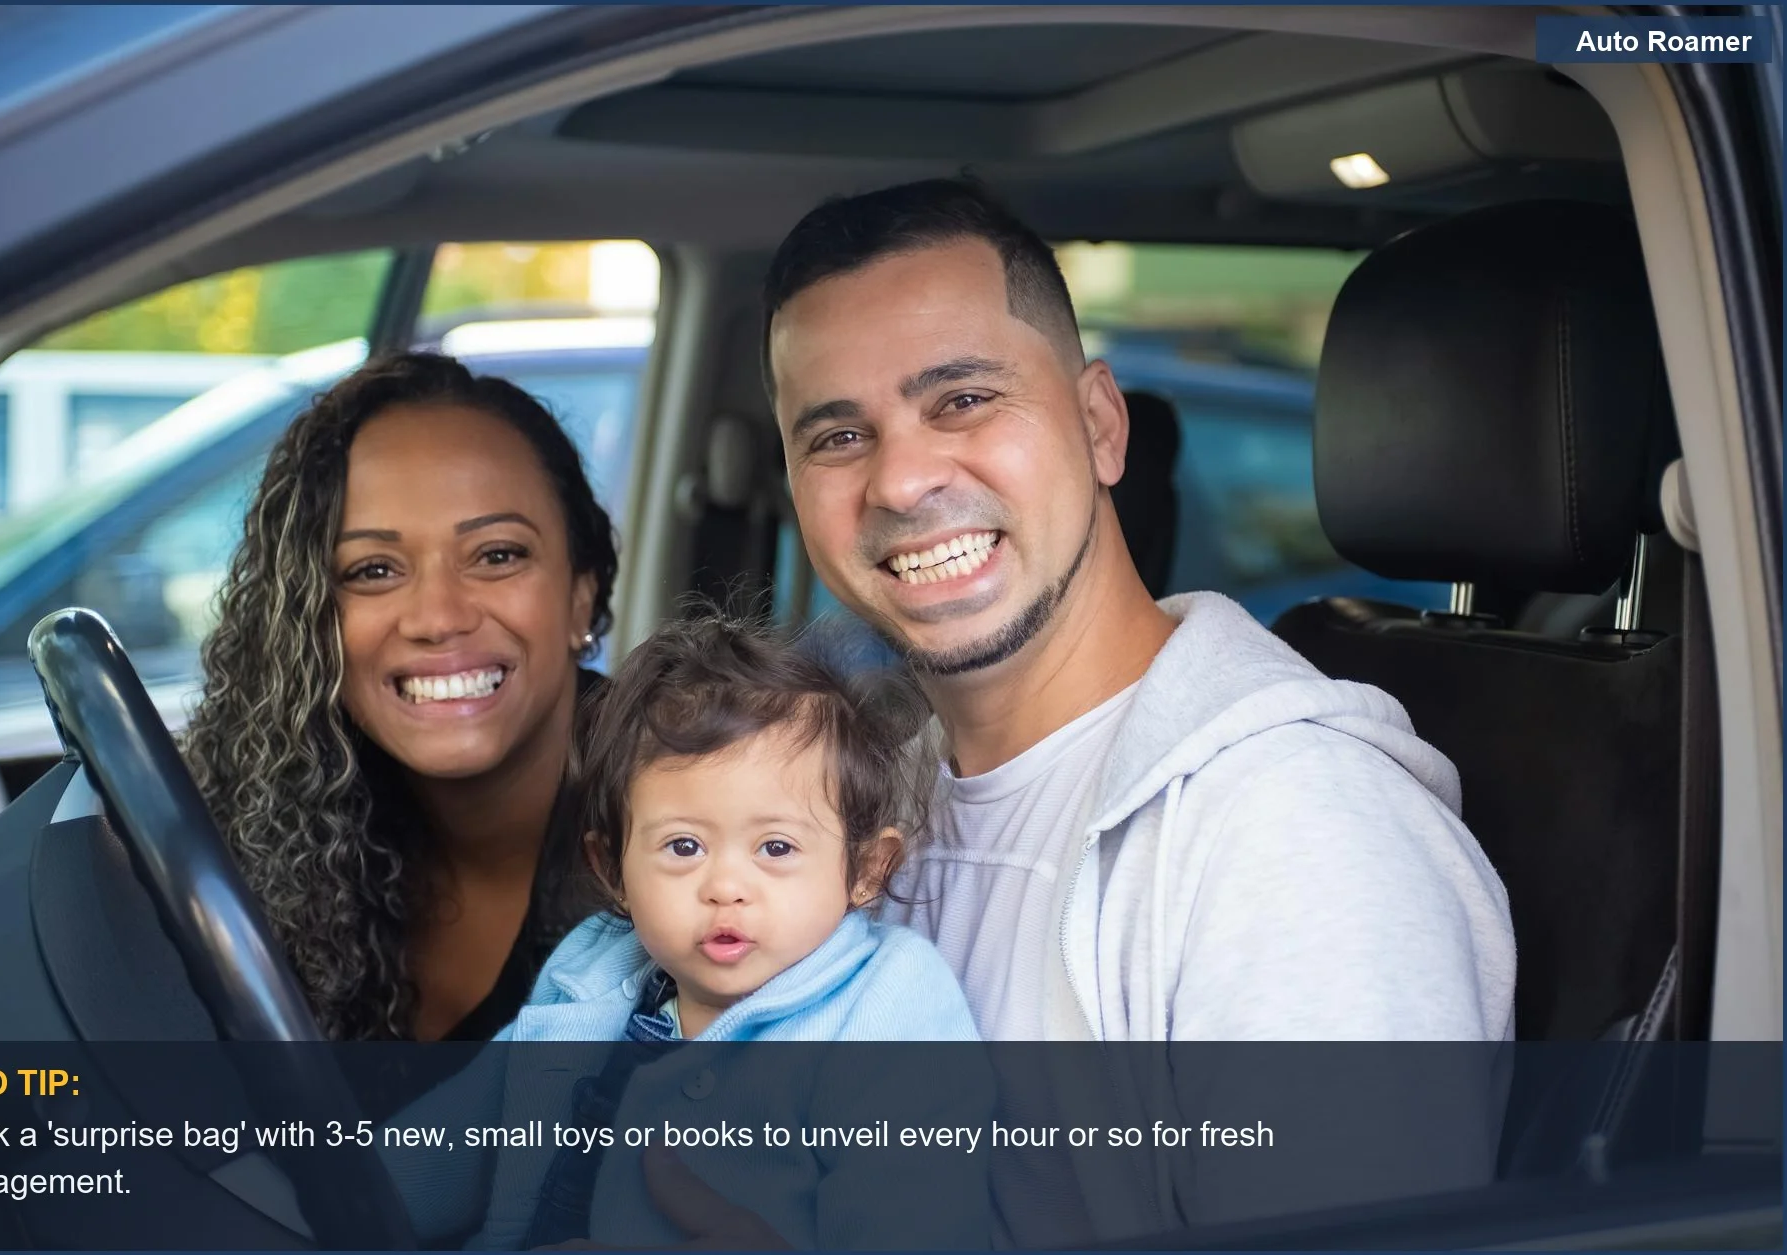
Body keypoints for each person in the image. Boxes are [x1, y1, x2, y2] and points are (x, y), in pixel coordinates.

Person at [752, 176, 1518, 1239]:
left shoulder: (1296, 833)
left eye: (961, 400)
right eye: (838, 436)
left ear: (1100, 425)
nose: (900, 480)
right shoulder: (866, 810)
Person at [383, 612, 988, 1250]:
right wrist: (327, 1198)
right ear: (613, 869)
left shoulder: (889, 1006)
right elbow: (446, 1143)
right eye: (683, 846)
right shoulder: (593, 970)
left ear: (866, 870)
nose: (725, 886)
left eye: (776, 847)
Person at [183, 352, 618, 1045]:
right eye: (374, 570)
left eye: (497, 555)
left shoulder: (709, 838)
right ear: (309, 622)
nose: (438, 617)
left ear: (580, 596)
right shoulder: (285, 822)